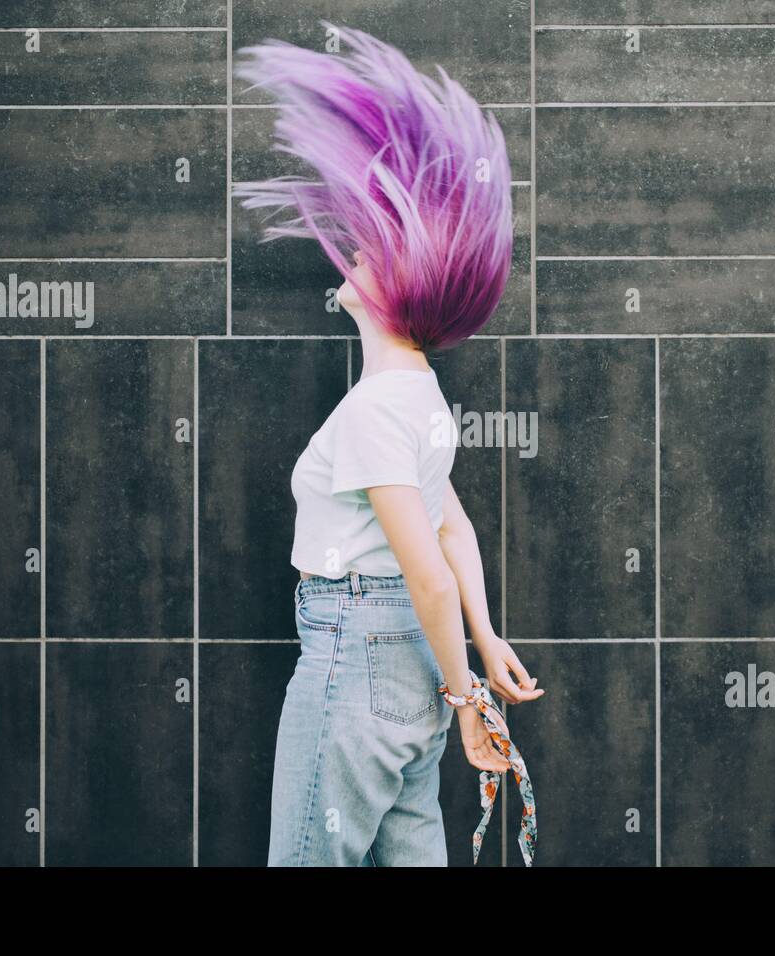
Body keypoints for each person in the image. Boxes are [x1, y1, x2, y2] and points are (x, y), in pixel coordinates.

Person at [233, 21, 544, 867]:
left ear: (394, 286)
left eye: (376, 245)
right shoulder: (421, 400)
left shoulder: (379, 408)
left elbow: (431, 568)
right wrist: (479, 654)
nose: (361, 247)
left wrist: (469, 689)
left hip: (357, 657)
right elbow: (455, 531)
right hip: (405, 669)